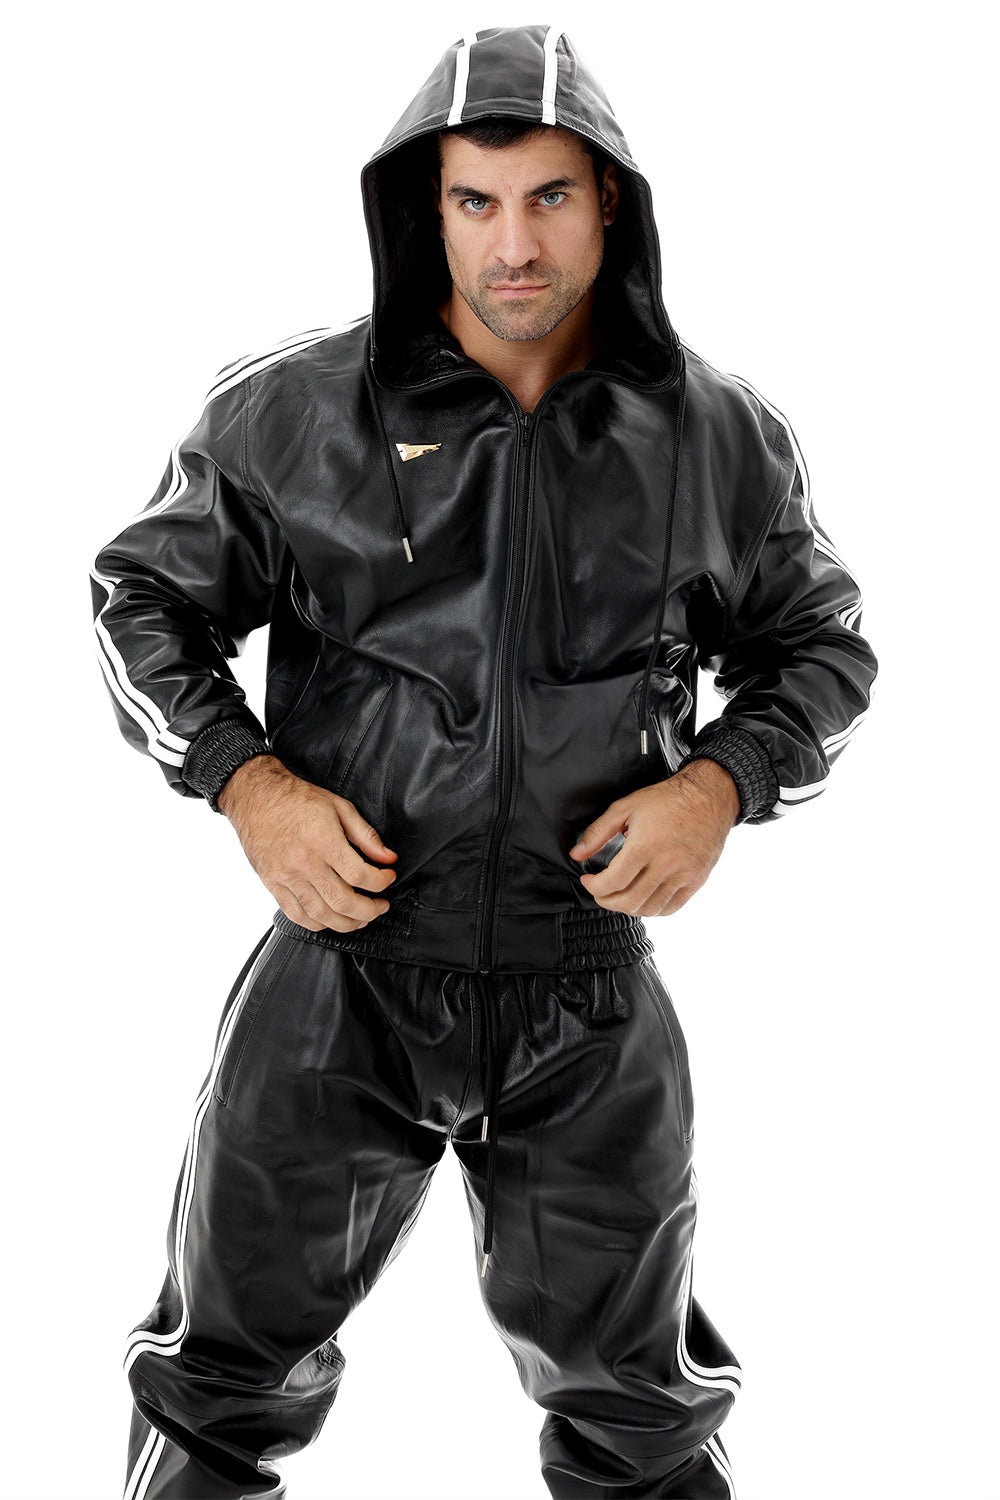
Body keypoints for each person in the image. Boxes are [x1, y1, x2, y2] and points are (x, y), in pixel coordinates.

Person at [94, 23, 876, 1500]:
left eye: (550, 198)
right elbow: (140, 600)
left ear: (610, 201)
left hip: (585, 991)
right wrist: (249, 785)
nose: (514, 244)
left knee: (641, 1413)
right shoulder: (292, 413)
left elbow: (822, 649)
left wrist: (717, 787)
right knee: (217, 1385)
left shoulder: (716, 437)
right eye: (476, 200)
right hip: (345, 973)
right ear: (425, 206)